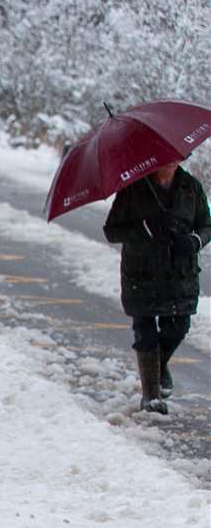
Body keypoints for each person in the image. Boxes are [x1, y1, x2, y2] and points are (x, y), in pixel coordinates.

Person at [102, 159, 209, 414]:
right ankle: (150, 396)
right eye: (165, 157)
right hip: (142, 274)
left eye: (177, 156)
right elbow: (112, 231)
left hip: (179, 275)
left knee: (179, 326)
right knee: (145, 332)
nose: (171, 162)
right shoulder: (132, 188)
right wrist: (146, 228)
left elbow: (207, 224)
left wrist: (194, 241)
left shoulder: (191, 187)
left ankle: (158, 367)